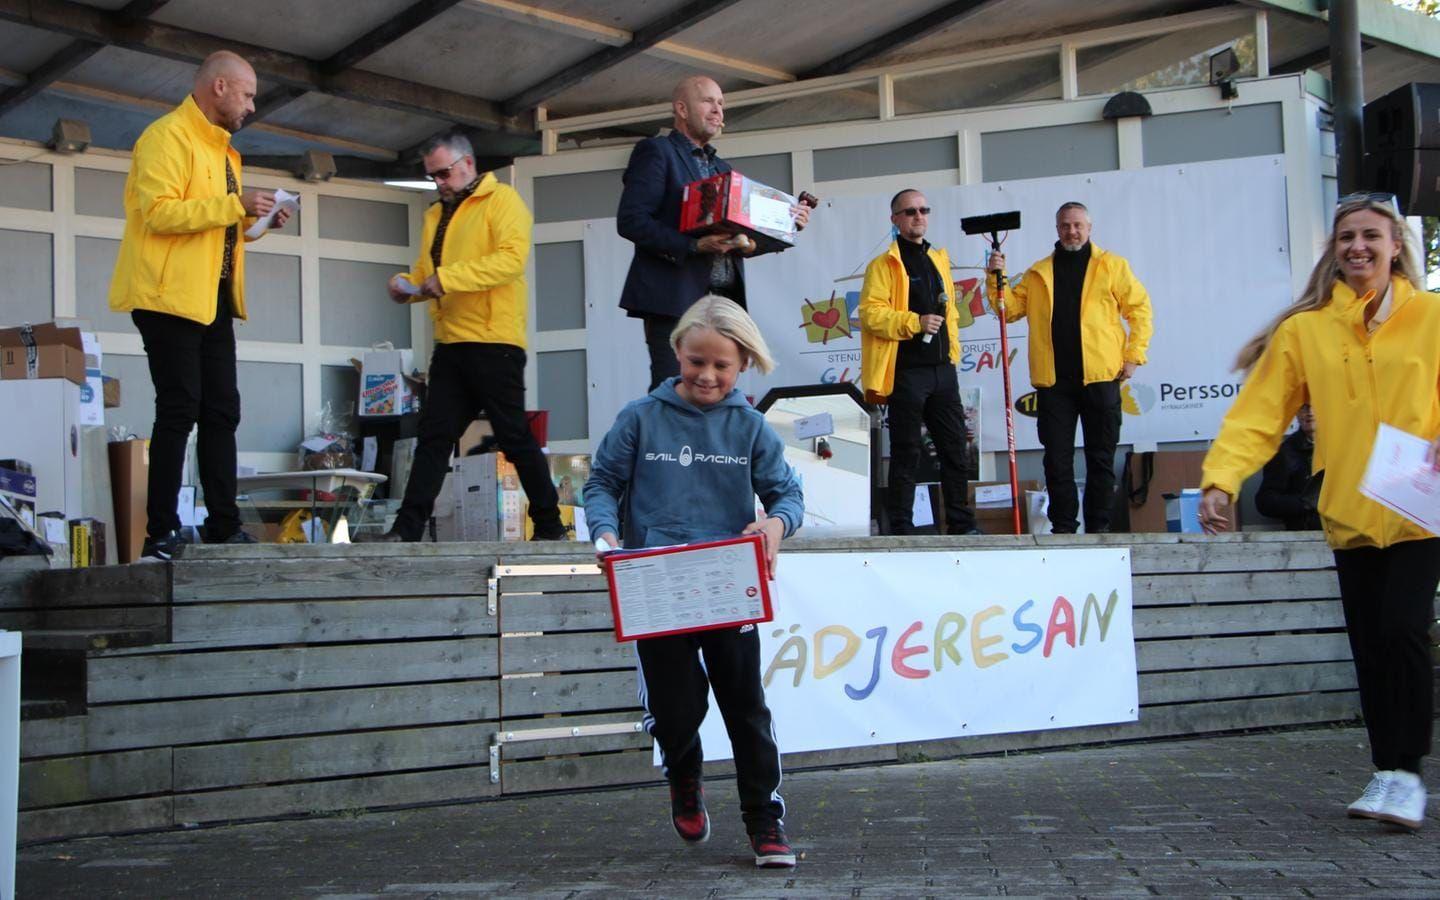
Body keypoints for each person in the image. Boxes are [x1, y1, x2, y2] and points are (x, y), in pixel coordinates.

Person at [1198, 194, 1440, 831]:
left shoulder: (1433, 317)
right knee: (1368, 644)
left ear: (1395, 248)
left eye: (1371, 236)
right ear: (1334, 251)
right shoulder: (1306, 331)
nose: (1358, 246)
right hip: (1352, 512)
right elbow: (1260, 412)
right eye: (1346, 238)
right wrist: (1221, 480)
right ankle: (1386, 771)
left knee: (1402, 629)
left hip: (1422, 508)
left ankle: (1409, 772)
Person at [584, 295, 804, 868]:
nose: (707, 375)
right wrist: (605, 537)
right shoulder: (640, 417)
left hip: (730, 585)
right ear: (677, 352)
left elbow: (787, 495)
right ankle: (684, 772)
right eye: (696, 361)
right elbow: (602, 483)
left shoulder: (751, 427)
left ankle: (766, 822)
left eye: (721, 365)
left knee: (745, 708)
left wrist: (775, 525)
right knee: (676, 711)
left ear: (743, 365)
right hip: (653, 586)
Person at [109, 50, 289, 561]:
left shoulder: (226, 152)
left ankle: (223, 526)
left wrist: (255, 224)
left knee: (222, 410)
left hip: (211, 296)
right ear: (220, 88)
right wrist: (235, 206)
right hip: (167, 296)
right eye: (248, 95)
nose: (252, 106)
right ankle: (159, 533)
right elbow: (159, 213)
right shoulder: (165, 136)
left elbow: (214, 230)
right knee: (180, 407)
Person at [364, 133, 563, 542]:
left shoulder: (502, 201)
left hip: (495, 341)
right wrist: (406, 286)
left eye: (443, 173)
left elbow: (510, 260)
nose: (438, 182)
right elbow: (425, 273)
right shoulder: (436, 214)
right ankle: (407, 529)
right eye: (432, 176)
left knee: (512, 436)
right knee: (434, 438)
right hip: (452, 343)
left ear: (468, 164)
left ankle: (549, 524)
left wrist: (445, 279)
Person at [616, 75, 810, 391]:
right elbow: (632, 220)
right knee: (674, 391)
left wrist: (789, 224)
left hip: (721, 303)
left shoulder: (724, 169)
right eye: (708, 101)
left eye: (721, 103)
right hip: (674, 297)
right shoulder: (656, 151)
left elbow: (745, 238)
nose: (718, 110)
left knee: (718, 390)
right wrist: (693, 246)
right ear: (681, 108)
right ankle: (665, 444)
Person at [987, 202, 1153, 534]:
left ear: (1090, 228)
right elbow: (1008, 309)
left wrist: (1134, 355)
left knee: (1101, 457)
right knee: (1057, 460)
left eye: (1077, 225)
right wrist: (995, 277)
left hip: (1102, 379)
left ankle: (1099, 528)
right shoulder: (1038, 273)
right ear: (1057, 229)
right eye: (1065, 225)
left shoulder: (1112, 266)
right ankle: (1063, 529)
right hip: (1054, 383)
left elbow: (1140, 310)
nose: (1071, 231)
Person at [859, 189, 979, 536]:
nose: (918, 216)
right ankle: (901, 526)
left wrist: (951, 353)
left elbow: (950, 313)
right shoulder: (883, 264)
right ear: (894, 219)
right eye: (909, 211)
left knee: (956, 449)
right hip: (906, 371)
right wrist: (914, 322)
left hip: (943, 370)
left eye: (923, 210)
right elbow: (870, 314)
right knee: (906, 451)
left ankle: (961, 523)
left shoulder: (938, 258)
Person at [1255, 405, 1323, 531]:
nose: (1310, 413)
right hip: (1304, 538)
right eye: (1304, 407)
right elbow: (1265, 502)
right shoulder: (1284, 452)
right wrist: (1306, 503)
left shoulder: (1343, 448)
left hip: (1344, 537)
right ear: (1296, 413)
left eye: (1316, 404)